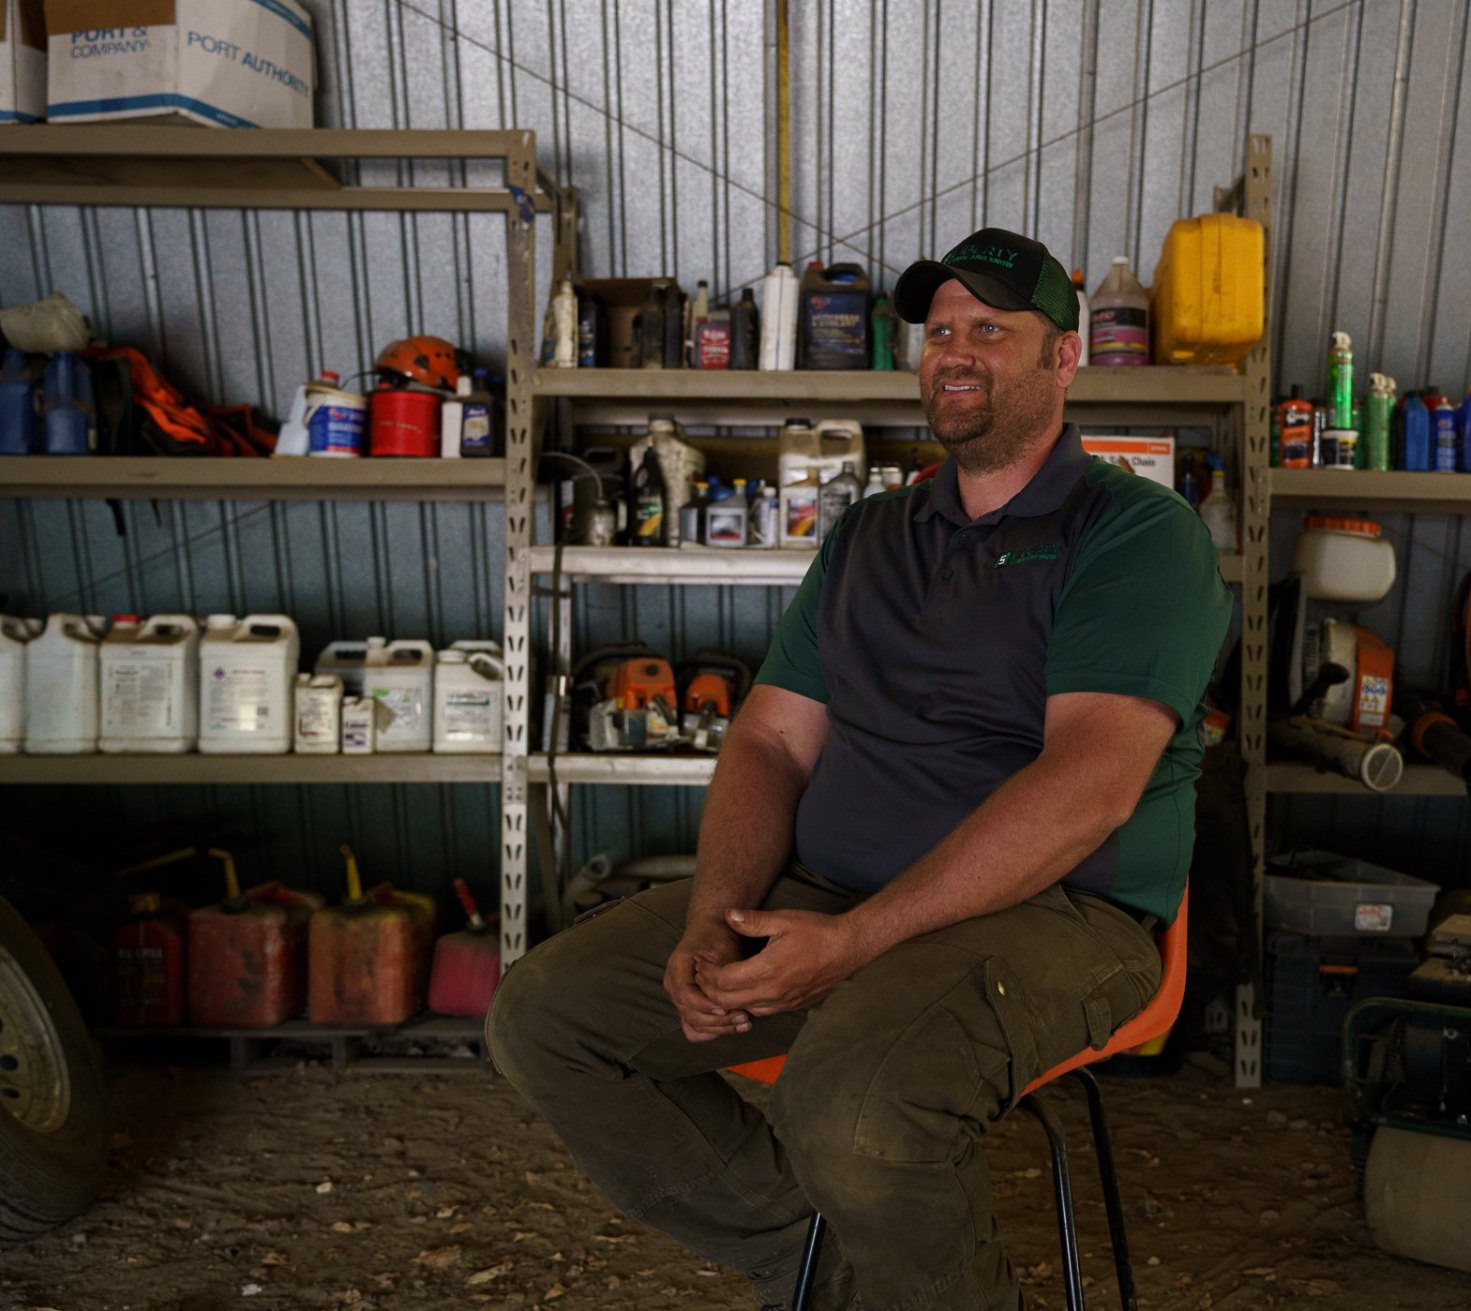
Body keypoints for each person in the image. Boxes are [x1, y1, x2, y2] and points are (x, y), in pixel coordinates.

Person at [487, 227, 1234, 1311]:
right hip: (830, 899)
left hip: (1059, 917)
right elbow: (769, 739)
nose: (956, 352)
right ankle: (835, 1265)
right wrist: (716, 911)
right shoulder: (870, 534)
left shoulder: (1132, 533)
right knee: (548, 1018)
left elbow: (1089, 786)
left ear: (1063, 359)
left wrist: (856, 944)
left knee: (854, 1110)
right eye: (938, 331)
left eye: (991, 329)